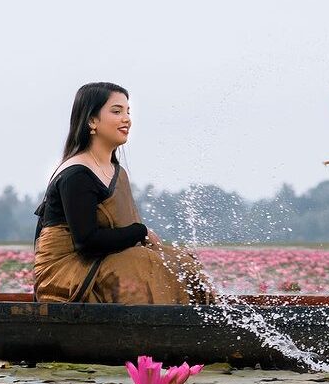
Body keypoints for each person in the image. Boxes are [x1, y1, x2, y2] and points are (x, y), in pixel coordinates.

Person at [33, 82, 212, 304]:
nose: (126, 118)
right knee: (141, 262)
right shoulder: (76, 174)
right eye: (116, 111)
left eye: (128, 112)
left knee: (180, 262)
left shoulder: (116, 172)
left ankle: (199, 331)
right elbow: (87, 243)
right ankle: (150, 334)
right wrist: (139, 231)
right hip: (68, 271)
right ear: (92, 120)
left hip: (103, 260)